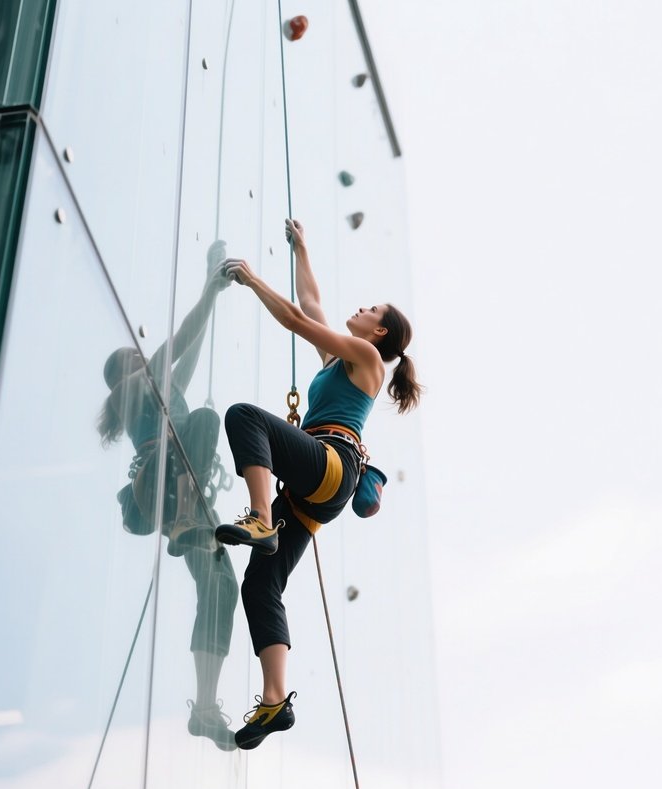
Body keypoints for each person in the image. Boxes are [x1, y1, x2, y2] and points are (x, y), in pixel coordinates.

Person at [214, 218, 422, 750]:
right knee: (260, 585)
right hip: (317, 492)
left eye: (371, 310)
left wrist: (254, 280)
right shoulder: (341, 360)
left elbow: (293, 320)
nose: (362, 309)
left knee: (246, 417)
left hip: (332, 464)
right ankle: (274, 700)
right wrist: (302, 250)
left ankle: (260, 517)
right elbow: (311, 306)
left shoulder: (369, 359)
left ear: (379, 333)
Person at [97, 242, 241, 750]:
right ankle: (185, 524)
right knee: (203, 420)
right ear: (128, 370)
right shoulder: (136, 386)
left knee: (223, 586)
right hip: (164, 483)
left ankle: (205, 706)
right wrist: (208, 284)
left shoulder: (162, 389)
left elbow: (193, 341)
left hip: (186, 491)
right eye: (136, 358)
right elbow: (180, 339)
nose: (144, 358)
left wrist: (213, 290)